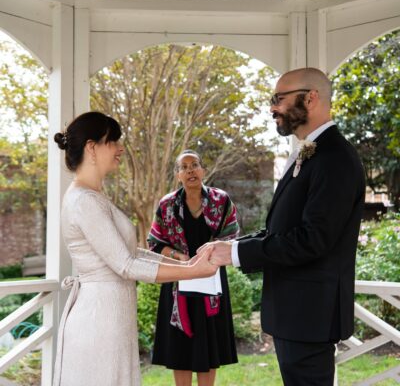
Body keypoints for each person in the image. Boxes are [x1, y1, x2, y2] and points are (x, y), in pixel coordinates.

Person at [199, 68, 366, 385]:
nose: (272, 107)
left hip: (310, 316)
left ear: (311, 98)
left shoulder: (335, 157)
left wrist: (236, 254)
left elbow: (312, 240)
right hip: (296, 316)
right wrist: (229, 247)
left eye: (279, 99)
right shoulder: (310, 153)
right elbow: (283, 231)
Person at [52, 112, 217, 386]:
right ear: (92, 148)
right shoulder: (84, 202)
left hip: (112, 318)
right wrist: (192, 273)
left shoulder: (94, 197)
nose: (120, 149)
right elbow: (126, 265)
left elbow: (133, 252)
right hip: (99, 321)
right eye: (113, 141)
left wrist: (186, 265)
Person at [147, 150, 239, 386]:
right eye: (184, 167)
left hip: (212, 281)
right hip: (178, 282)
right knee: (180, 349)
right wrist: (181, 257)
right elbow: (155, 243)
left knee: (209, 347)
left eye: (195, 165)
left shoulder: (221, 200)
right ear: (178, 175)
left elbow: (233, 236)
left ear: (203, 171)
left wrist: (209, 255)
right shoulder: (167, 205)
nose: (190, 170)